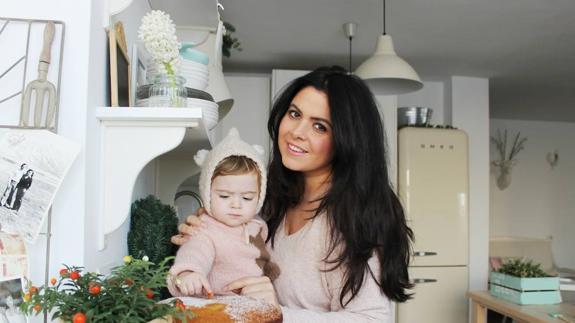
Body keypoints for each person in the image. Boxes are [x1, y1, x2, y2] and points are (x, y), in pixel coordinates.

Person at [172, 66, 413, 322]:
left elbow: (370, 319)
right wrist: (208, 225)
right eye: (294, 113)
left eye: (320, 126)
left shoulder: (355, 219)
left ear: (348, 140)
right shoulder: (273, 199)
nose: (297, 132)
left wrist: (278, 313)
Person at [167, 128, 279, 297]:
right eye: (225, 196)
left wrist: (270, 271)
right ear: (207, 193)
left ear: (259, 197)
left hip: (254, 305)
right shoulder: (204, 228)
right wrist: (188, 273)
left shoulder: (257, 226)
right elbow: (195, 252)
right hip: (218, 304)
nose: (236, 205)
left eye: (247, 198)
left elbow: (261, 257)